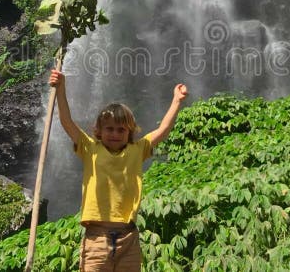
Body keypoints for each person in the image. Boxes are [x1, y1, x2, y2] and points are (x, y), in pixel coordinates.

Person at [48, 69, 188, 271]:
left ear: (130, 132)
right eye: (109, 129)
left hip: (129, 237)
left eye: (121, 130)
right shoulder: (90, 149)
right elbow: (66, 122)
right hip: (96, 238)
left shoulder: (137, 150)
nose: (115, 134)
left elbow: (163, 130)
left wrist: (176, 101)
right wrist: (61, 88)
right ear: (99, 131)